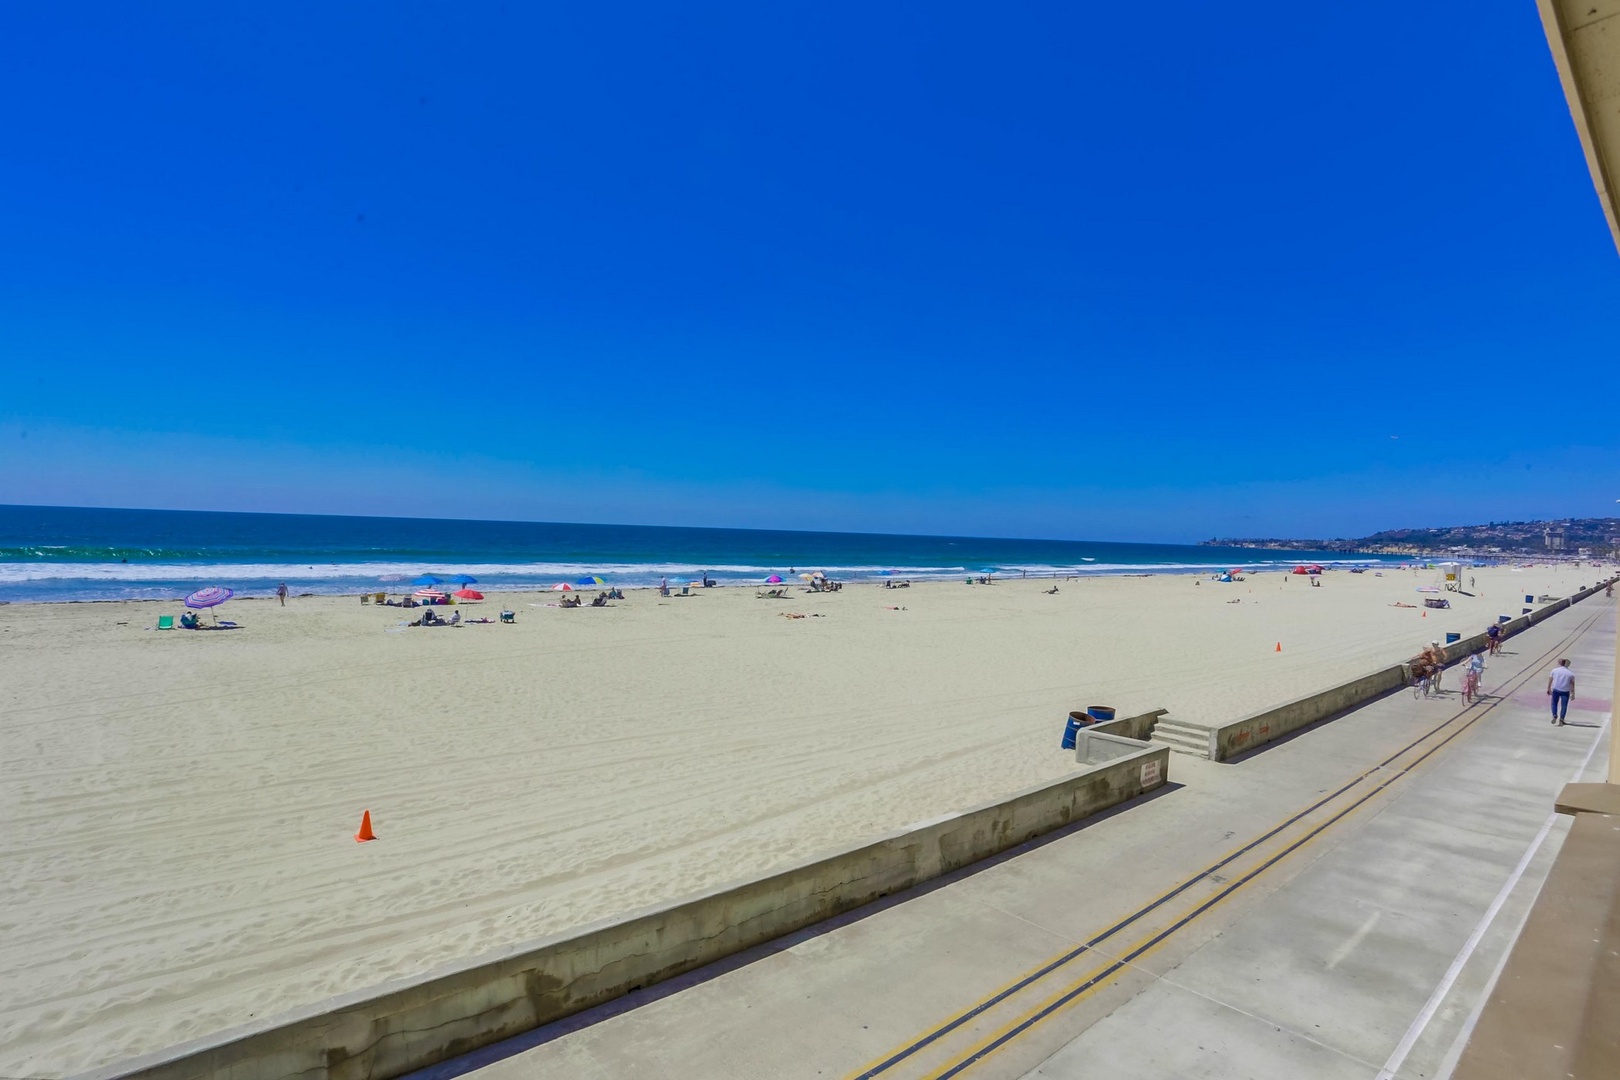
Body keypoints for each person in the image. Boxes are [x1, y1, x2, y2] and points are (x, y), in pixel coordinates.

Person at [1547, 659, 1575, 726]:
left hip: (1556, 689)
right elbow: (1572, 684)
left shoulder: (1554, 670)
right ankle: (1562, 719)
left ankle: (1554, 715)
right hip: (1565, 691)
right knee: (1564, 705)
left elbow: (1550, 680)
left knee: (1554, 703)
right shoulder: (1570, 674)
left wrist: (1548, 688)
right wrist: (1573, 693)